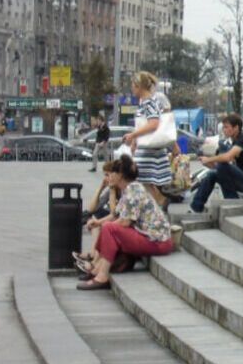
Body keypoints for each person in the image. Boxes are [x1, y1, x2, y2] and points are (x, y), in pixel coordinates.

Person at [75, 155, 174, 290]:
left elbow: (125, 222)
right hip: (151, 237)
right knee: (107, 226)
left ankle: (101, 276)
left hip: (157, 240)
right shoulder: (129, 189)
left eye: (112, 173)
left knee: (109, 228)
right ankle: (96, 269)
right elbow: (115, 214)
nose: (109, 176)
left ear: (120, 175)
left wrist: (104, 226)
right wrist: (98, 223)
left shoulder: (134, 189)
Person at [189, 114, 243, 213]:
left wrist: (209, 159)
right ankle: (196, 208)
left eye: (227, 127)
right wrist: (209, 164)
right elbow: (224, 170)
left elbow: (227, 158)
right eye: (223, 127)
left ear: (236, 128)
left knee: (223, 164)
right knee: (212, 175)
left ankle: (232, 201)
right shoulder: (235, 142)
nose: (224, 130)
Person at [121, 72, 174, 205]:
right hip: (147, 147)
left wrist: (133, 136)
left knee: (138, 176)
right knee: (143, 179)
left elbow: (153, 123)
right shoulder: (146, 102)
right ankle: (157, 204)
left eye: (133, 86)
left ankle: (158, 203)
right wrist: (134, 141)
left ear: (139, 86)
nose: (132, 89)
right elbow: (145, 124)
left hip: (149, 148)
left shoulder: (148, 102)